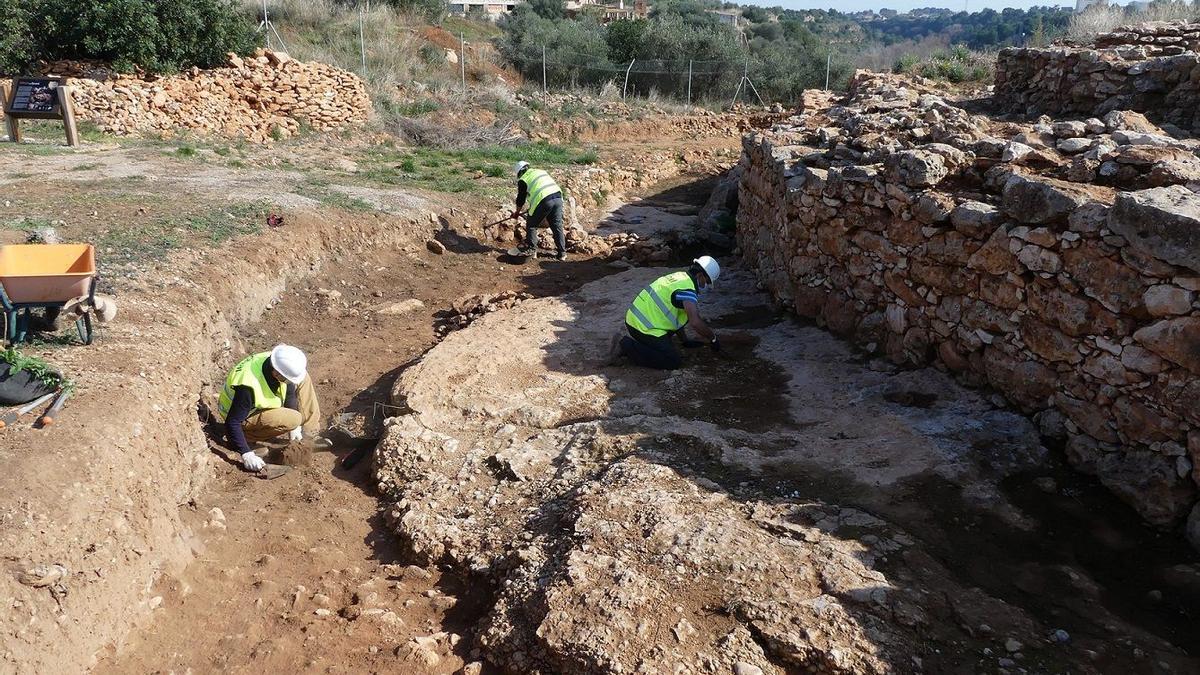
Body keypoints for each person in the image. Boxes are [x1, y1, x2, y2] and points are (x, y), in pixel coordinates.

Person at [217, 344, 324, 473]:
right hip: (241, 416)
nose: (288, 382)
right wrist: (246, 455)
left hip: (253, 405)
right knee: (293, 419)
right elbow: (232, 422)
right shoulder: (248, 387)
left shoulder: (277, 361)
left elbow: (289, 391)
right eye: (285, 378)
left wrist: (295, 430)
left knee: (302, 377)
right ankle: (247, 439)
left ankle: (309, 435)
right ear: (276, 374)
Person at [610, 256, 722, 370]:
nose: (705, 286)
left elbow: (676, 315)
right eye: (707, 282)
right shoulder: (688, 291)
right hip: (643, 327)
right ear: (700, 276)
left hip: (635, 319)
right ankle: (625, 345)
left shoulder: (680, 276)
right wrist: (712, 338)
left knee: (666, 347)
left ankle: (646, 345)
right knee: (672, 361)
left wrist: (685, 341)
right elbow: (695, 322)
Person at [510, 160, 567, 260]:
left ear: (519, 172)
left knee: (532, 225)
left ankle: (532, 250)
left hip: (544, 200)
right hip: (558, 197)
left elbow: (521, 199)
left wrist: (517, 213)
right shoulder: (540, 171)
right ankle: (562, 253)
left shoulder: (524, 179)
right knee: (556, 224)